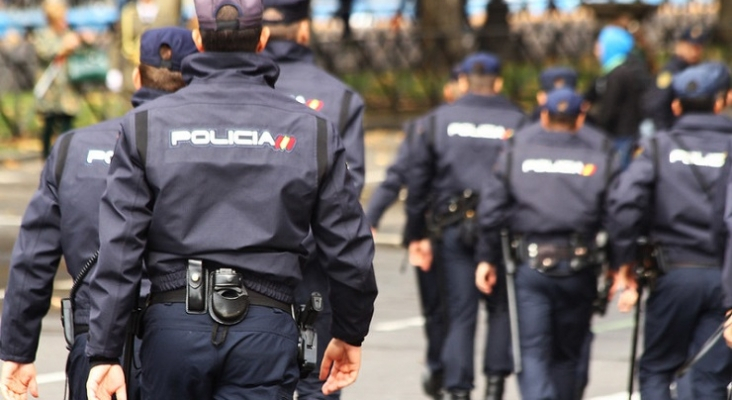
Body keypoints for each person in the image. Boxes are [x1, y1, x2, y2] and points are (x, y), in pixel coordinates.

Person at [84, 0, 378, 399]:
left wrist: (104, 352)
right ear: (263, 39)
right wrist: (349, 331)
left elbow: (119, 248)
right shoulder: (312, 131)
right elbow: (349, 248)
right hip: (266, 328)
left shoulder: (146, 124)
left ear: (198, 39)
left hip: (173, 328)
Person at [0, 27, 198, 400]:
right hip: (187, 338)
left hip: (94, 343)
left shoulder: (73, 148)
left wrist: (17, 351)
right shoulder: (209, 148)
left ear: (138, 76)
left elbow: (33, 260)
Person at [475, 88, 619, 400]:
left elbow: (491, 210)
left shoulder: (517, 151)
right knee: (567, 355)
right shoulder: (601, 154)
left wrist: (486, 258)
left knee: (532, 353)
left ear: (543, 114)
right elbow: (618, 215)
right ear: (580, 118)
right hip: (580, 265)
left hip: (531, 265)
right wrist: (618, 264)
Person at [260, 1, 366, 398]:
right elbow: (345, 192)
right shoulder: (339, 97)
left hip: (246, 266)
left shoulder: (235, 93)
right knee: (314, 380)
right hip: (314, 269)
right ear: (304, 30)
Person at [406, 52, 526, 400]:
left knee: (460, 312)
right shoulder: (519, 120)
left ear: (462, 82)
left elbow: (417, 183)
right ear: (498, 82)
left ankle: (458, 390)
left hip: (452, 224)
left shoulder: (437, 120)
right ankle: (494, 387)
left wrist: (416, 233)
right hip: (501, 227)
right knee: (501, 308)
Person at [611, 62, 732, 400]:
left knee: (657, 369)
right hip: (726, 277)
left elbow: (624, 204)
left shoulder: (658, 147)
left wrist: (625, 262)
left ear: (676, 105)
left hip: (674, 271)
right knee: (709, 378)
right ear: (724, 100)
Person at [364, 66, 462, 399]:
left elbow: (399, 178)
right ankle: (454, 373)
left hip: (432, 231)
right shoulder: (501, 125)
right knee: (462, 312)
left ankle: (440, 368)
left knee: (438, 310)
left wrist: (380, 222)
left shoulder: (427, 126)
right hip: (474, 235)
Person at [585, 25, 649, 170]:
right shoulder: (615, 71)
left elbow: (609, 109)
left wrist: (594, 123)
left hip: (620, 135)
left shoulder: (618, 75)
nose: (596, 50)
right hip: (623, 134)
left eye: (600, 45)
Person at [31, 0, 83, 159]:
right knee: (49, 121)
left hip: (67, 88)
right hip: (51, 86)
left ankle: (66, 156)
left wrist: (81, 41)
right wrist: (63, 48)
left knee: (68, 121)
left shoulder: (69, 33)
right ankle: (46, 156)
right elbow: (44, 52)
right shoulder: (42, 34)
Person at [643, 26, 707, 132]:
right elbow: (655, 104)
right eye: (691, 47)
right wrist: (665, 133)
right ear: (680, 46)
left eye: (698, 47)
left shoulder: (695, 70)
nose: (695, 52)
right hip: (668, 129)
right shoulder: (670, 72)